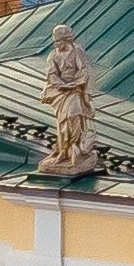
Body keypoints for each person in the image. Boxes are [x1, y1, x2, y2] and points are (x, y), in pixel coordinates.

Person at [39, 24, 98, 176]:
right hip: (60, 92)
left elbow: (84, 70)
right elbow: (51, 74)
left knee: (73, 115)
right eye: (55, 41)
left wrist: (76, 83)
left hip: (75, 89)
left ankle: (75, 147)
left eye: (58, 41)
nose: (56, 44)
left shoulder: (77, 51)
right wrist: (62, 84)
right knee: (62, 122)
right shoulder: (53, 55)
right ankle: (63, 151)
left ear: (67, 40)